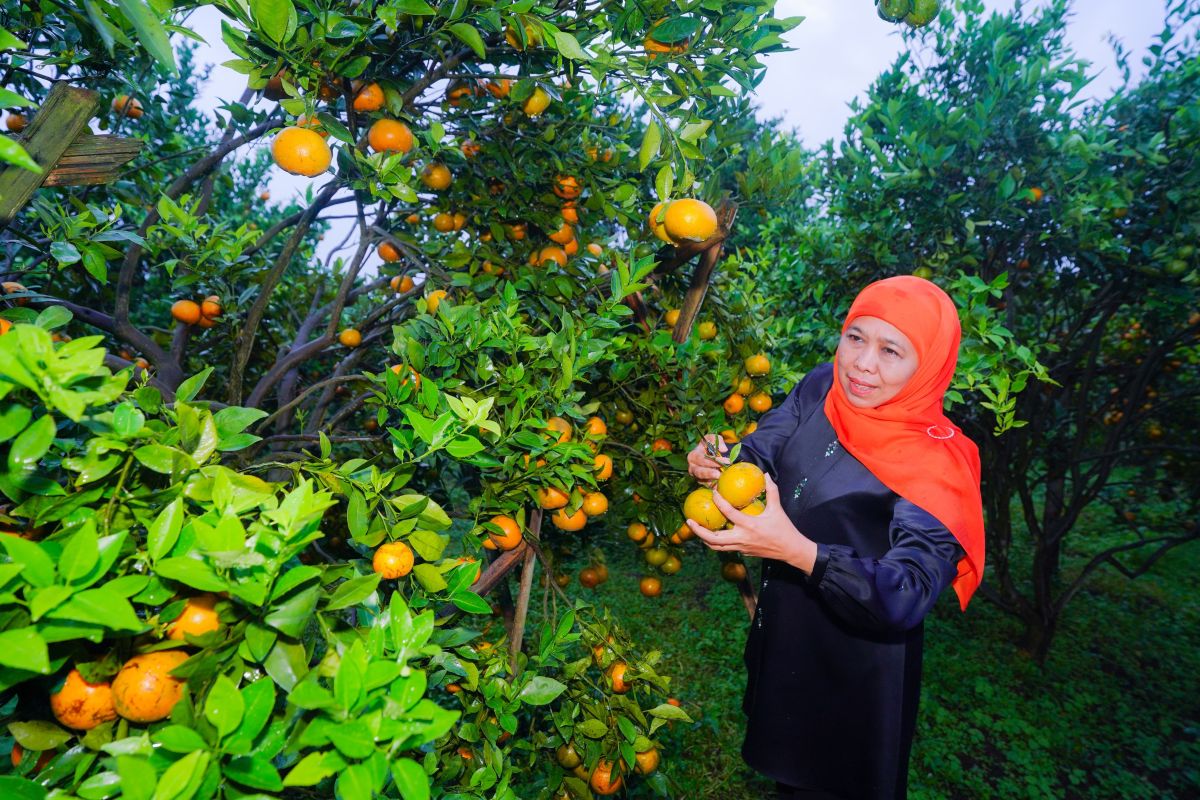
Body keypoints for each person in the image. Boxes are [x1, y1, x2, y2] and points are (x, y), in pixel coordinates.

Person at [685, 276, 985, 800]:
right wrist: (724, 462)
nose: (862, 364)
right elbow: (765, 449)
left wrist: (799, 553)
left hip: (855, 673)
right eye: (855, 338)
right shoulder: (823, 386)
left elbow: (906, 592)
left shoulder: (937, 465)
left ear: (929, 365)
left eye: (891, 350)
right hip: (789, 638)